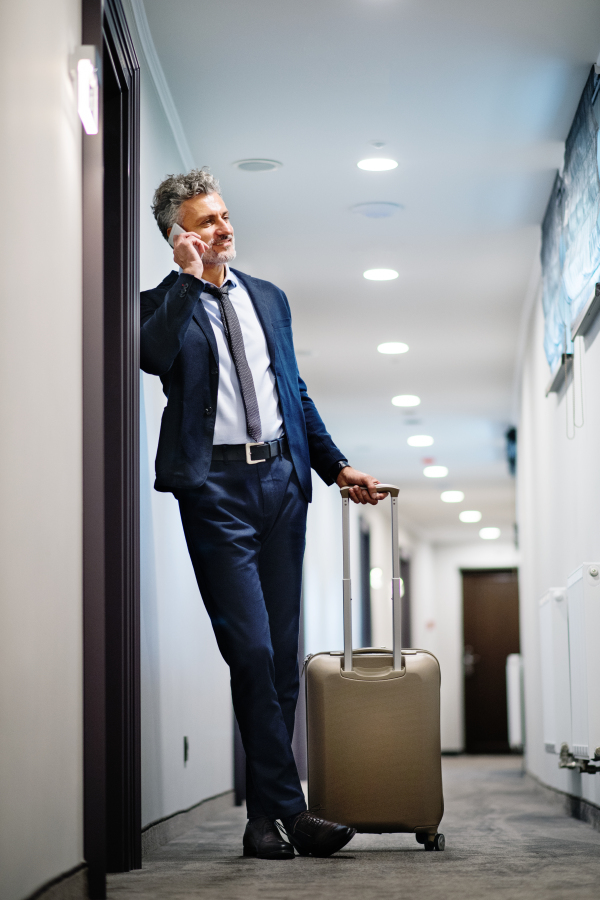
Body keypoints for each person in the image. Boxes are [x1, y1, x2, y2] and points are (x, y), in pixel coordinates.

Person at [141, 168, 385, 860]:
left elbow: (294, 392)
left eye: (224, 215)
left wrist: (335, 467)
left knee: (278, 657)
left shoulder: (270, 299)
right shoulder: (159, 305)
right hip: (214, 489)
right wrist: (190, 282)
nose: (224, 228)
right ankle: (292, 811)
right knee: (246, 648)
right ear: (178, 237)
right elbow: (151, 356)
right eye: (207, 222)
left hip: (280, 482)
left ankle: (261, 823)